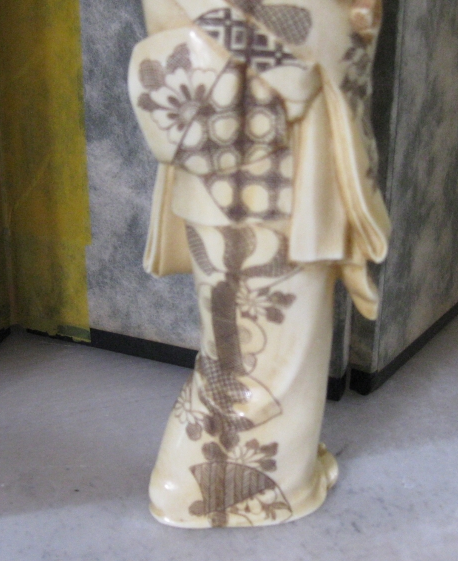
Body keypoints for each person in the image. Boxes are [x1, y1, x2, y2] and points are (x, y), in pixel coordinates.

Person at [128, 0, 390, 527]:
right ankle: (215, 488)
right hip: (267, 163)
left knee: (254, 348)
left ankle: (255, 479)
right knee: (262, 354)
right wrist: (305, 60)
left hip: (244, 162)